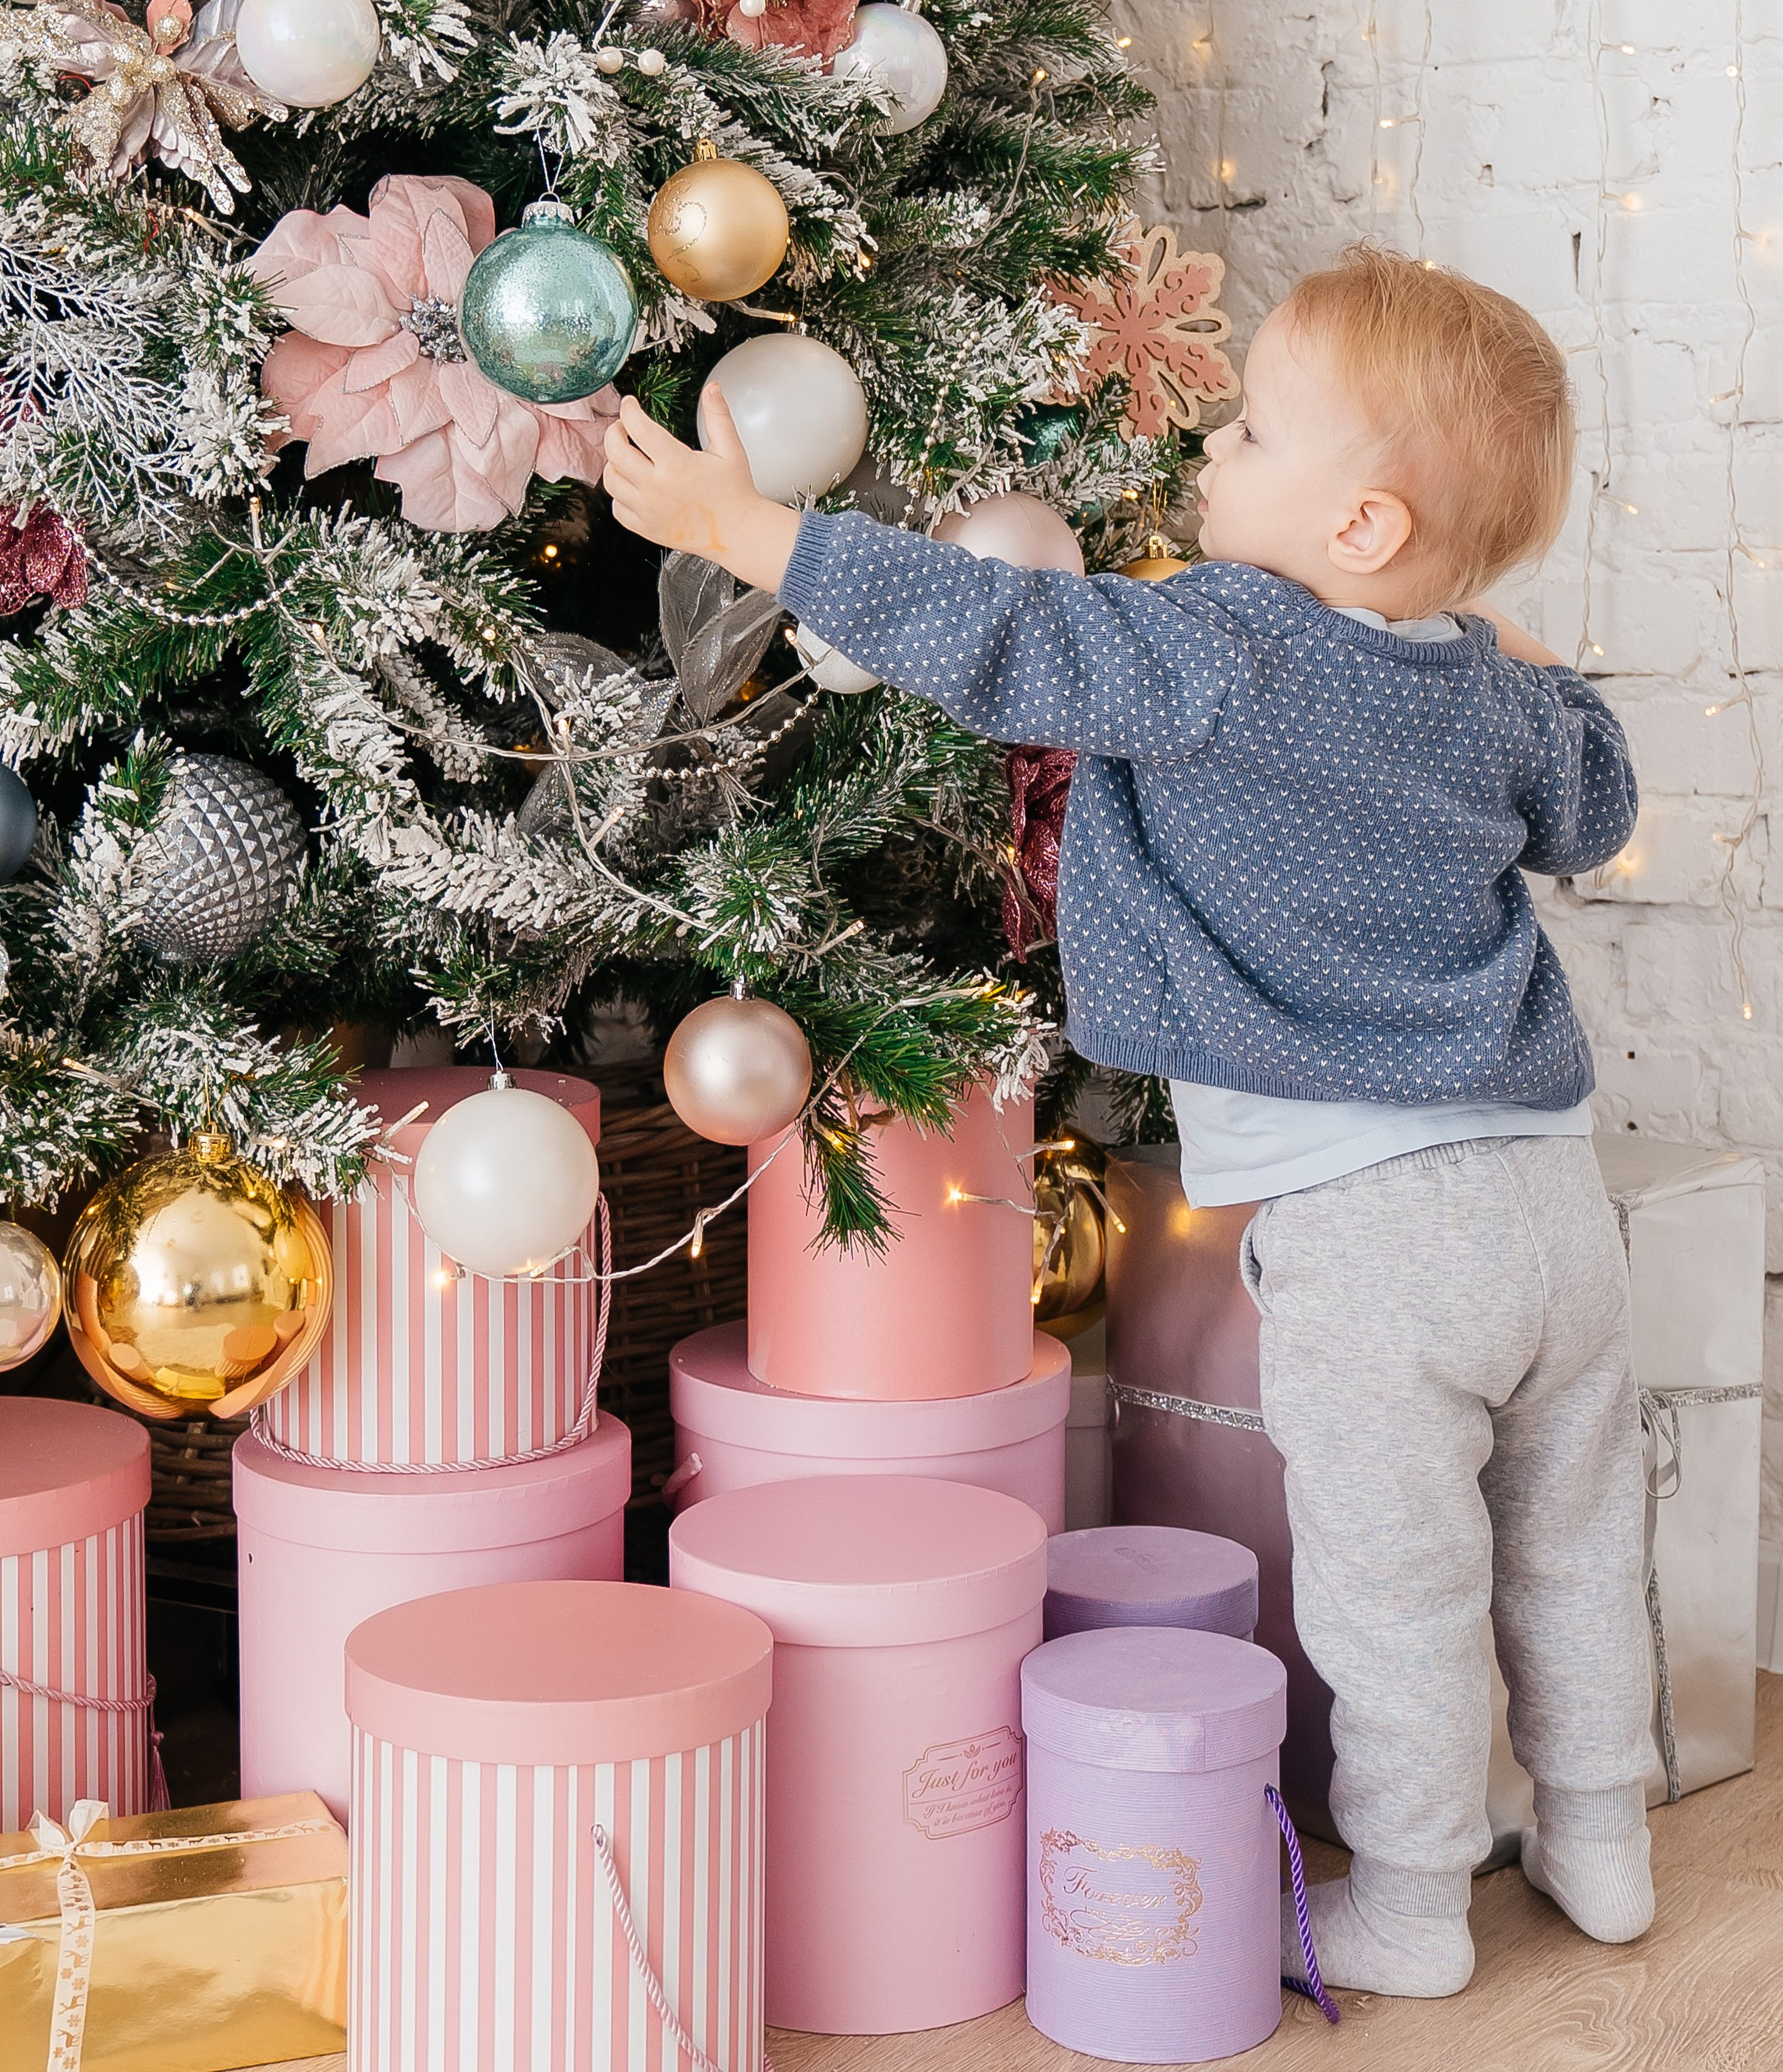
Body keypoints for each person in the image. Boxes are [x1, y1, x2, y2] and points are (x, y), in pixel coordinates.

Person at [603, 243, 1654, 2000]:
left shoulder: (1220, 642)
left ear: (1363, 527)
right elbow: (1589, 800)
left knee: (1394, 1581)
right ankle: (1601, 1835)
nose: (1207, 459)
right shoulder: (1482, 687)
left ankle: (1409, 1894)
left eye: (1246, 433)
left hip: (1373, 1226)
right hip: (1557, 1213)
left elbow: (1000, 634)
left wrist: (753, 537)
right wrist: (1525, 662)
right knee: (1569, 1534)